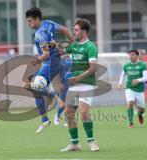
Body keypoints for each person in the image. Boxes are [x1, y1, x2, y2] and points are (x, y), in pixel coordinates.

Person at [25, 7, 73, 134]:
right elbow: (65, 30)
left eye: (30, 21)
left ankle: (49, 104)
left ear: (37, 19)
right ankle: (48, 107)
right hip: (51, 62)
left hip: (50, 63)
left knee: (35, 87)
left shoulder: (39, 34)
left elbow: (45, 55)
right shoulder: (49, 23)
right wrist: (72, 44)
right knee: (27, 85)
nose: (28, 23)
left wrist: (37, 60)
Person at [60, 19, 99, 152]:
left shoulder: (91, 47)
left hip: (87, 84)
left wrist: (78, 78)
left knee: (83, 112)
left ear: (84, 31)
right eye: (74, 30)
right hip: (74, 85)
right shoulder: (74, 46)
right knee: (68, 113)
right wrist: (53, 46)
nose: (74, 32)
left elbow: (93, 68)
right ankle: (75, 144)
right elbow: (62, 51)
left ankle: (92, 141)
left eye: (76, 30)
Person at [118, 50, 147, 128]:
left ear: (137, 56)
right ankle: (131, 123)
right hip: (129, 87)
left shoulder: (143, 65)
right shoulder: (126, 65)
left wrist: (138, 80)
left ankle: (140, 115)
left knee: (142, 109)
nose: (131, 56)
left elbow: (146, 77)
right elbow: (123, 74)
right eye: (130, 55)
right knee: (130, 103)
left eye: (132, 55)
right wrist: (120, 83)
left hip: (140, 89)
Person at [54, 55, 72, 127]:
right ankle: (58, 115)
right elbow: (56, 75)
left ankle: (67, 120)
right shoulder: (61, 62)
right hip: (64, 85)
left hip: (73, 85)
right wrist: (59, 84)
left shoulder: (75, 61)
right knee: (64, 103)